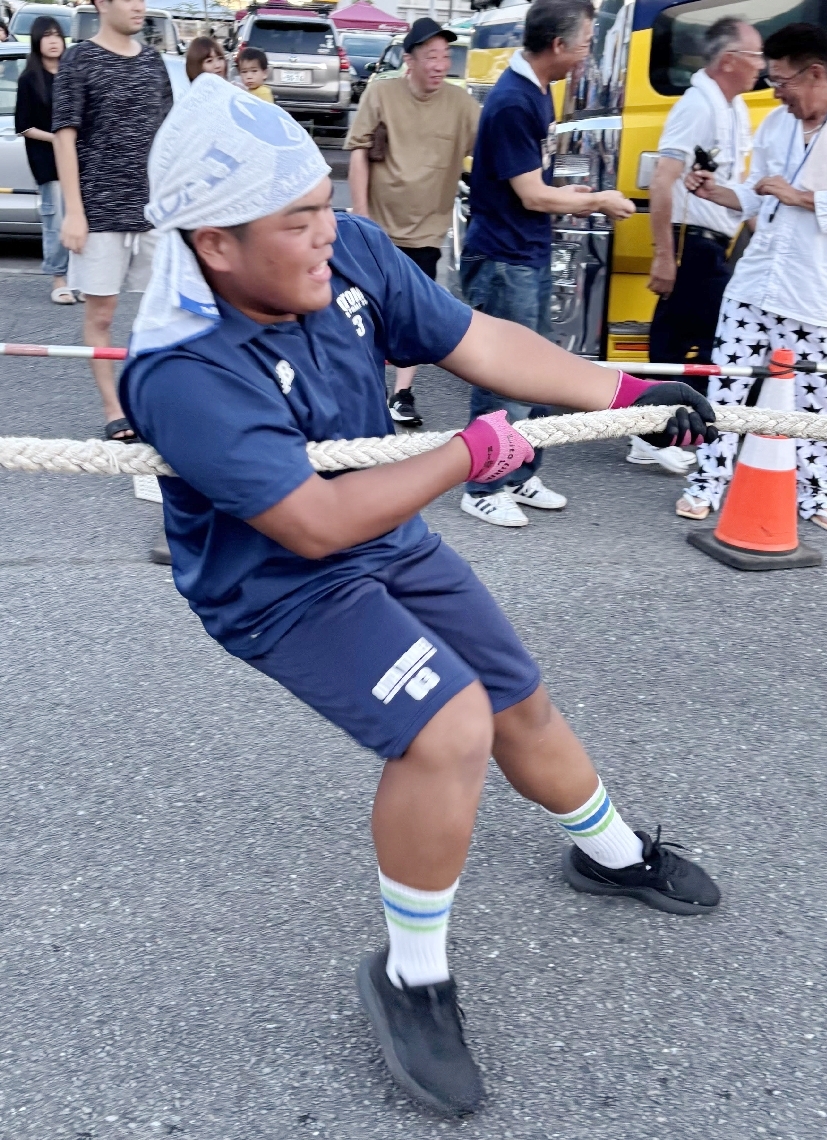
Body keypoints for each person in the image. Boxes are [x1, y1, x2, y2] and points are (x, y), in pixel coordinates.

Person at [119, 76, 720, 1118]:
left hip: (383, 532)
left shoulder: (344, 249)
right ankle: (412, 976)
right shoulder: (182, 367)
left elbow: (476, 340)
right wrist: (466, 453)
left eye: (321, 204)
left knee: (513, 693)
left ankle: (612, 854)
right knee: (448, 727)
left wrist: (625, 396)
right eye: (295, 220)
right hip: (279, 583)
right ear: (214, 243)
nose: (325, 232)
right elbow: (309, 525)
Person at [459, 0, 635, 528]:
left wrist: (570, 192)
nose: (586, 56)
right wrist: (596, 200)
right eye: (584, 44)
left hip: (524, 251)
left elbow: (533, 186)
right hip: (503, 258)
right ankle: (483, 483)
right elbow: (532, 196)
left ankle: (519, 473)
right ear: (557, 46)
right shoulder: (515, 100)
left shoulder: (536, 90)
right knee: (504, 378)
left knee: (537, 374)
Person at [677, 23, 827, 534]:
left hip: (815, 290)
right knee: (726, 386)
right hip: (756, 283)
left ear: (815, 72)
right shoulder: (776, 124)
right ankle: (706, 481)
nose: (775, 92)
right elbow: (759, 196)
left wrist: (800, 197)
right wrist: (716, 192)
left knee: (816, 398)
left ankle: (815, 493)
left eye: (781, 81)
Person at [641, 16, 763, 475]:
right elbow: (663, 180)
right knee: (697, 341)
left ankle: (652, 430)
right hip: (691, 239)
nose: (761, 67)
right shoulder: (698, 106)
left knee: (687, 337)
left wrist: (763, 235)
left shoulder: (735, 108)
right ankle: (655, 431)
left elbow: (735, 186)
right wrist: (663, 254)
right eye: (755, 57)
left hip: (717, 240)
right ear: (729, 60)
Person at [345, 18, 480, 428]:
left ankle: (402, 393)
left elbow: (494, 147)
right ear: (410, 60)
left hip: (425, 232)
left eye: (445, 56)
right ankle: (367, 388)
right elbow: (358, 152)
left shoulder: (461, 105)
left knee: (410, 317)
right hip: (378, 230)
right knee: (367, 314)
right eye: (430, 56)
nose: (440, 64)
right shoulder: (381, 93)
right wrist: (362, 218)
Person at [52, 0, 172, 442]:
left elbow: (166, 138)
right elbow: (65, 138)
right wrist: (74, 212)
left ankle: (154, 401)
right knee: (102, 314)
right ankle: (113, 407)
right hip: (100, 212)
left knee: (163, 313)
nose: (139, 5)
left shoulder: (155, 62)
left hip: (153, 211)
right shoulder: (79, 58)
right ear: (102, 4)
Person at [14, 16, 72, 304]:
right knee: (57, 220)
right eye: (46, 36)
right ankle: (59, 279)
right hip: (48, 161)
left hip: (80, 157)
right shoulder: (29, 78)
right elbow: (23, 125)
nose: (53, 40)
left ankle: (81, 279)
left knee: (82, 219)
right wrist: (58, 138)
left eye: (57, 35)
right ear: (37, 41)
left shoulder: (73, 73)